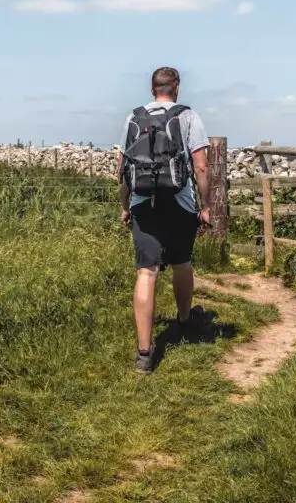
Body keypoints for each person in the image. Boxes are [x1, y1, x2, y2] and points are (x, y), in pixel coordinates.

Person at [117, 66, 211, 374]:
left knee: (147, 272)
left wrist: (125, 206)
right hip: (180, 202)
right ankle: (184, 320)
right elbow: (200, 168)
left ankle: (145, 353)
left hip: (143, 202)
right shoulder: (187, 116)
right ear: (177, 88)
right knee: (182, 262)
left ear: (152, 89)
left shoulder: (133, 118)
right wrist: (206, 206)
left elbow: (122, 169)